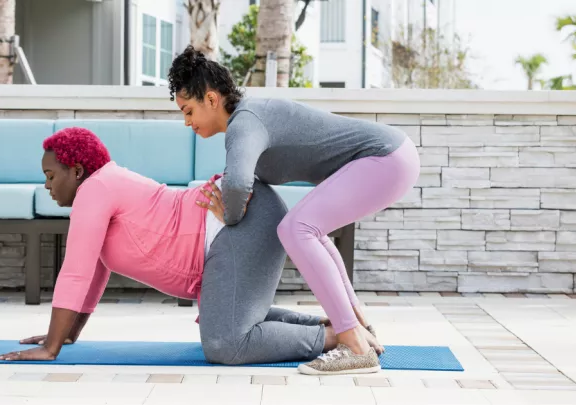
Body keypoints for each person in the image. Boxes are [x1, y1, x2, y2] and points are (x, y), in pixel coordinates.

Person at [0, 126, 345, 368]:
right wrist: (68, 334)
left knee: (225, 344)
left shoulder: (95, 190)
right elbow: (93, 274)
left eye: (52, 175)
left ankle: (334, 338)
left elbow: (75, 270)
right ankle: (336, 327)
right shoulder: (103, 185)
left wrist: (50, 348)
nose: (47, 185)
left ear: (78, 171)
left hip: (238, 218)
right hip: (241, 219)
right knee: (227, 321)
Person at [168, 45, 420, 375]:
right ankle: (358, 325)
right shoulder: (251, 117)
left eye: (188, 111)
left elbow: (237, 183)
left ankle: (355, 347)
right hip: (393, 157)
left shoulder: (245, 123)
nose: (187, 122)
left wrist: (227, 214)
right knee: (309, 230)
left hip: (384, 159)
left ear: (212, 100)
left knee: (295, 228)